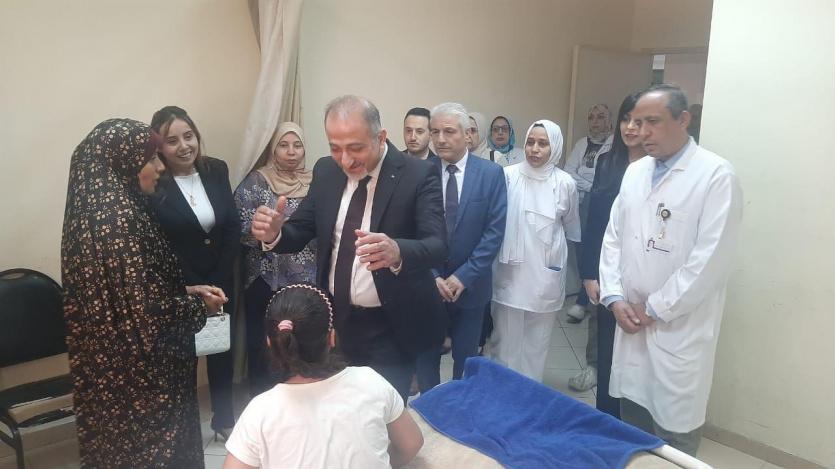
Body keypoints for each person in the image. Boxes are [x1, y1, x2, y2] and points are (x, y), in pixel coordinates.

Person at [250, 95, 447, 400]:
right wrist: (275, 233)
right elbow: (301, 229)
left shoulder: (416, 174)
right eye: (335, 148)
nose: (345, 160)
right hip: (337, 323)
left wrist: (397, 251)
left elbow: (437, 244)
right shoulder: (327, 171)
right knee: (341, 408)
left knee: (382, 411)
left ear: (380, 138)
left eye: (356, 148)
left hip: (392, 325)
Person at [61, 119, 227, 468]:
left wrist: (186, 289)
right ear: (125, 165)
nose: (159, 167)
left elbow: (126, 292)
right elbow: (148, 312)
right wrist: (199, 306)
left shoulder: (94, 211)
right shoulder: (121, 222)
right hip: (145, 382)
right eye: (150, 159)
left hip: (113, 371)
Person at [599, 84, 742, 455]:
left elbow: (710, 262)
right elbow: (614, 237)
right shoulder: (635, 172)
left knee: (674, 433)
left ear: (683, 120)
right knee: (634, 425)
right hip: (629, 320)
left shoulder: (715, 176)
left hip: (678, 329)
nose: (641, 131)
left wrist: (654, 308)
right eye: (635, 122)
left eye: (653, 122)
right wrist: (614, 297)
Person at [223, 283, 423, 469]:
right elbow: (412, 444)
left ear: (270, 342)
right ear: (332, 337)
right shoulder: (371, 381)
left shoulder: (261, 410)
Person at [149, 106, 240, 439]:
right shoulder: (154, 182)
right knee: (183, 356)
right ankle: (184, 428)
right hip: (182, 286)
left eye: (189, 136)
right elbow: (159, 242)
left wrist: (218, 278)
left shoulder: (216, 169)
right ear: (159, 147)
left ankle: (224, 419)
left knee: (221, 349)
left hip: (220, 278)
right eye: (172, 140)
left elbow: (232, 226)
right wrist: (193, 285)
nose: (184, 146)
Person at [415, 102, 507, 391]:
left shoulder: (491, 174)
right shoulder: (419, 172)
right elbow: (412, 229)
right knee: (425, 359)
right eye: (435, 132)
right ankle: (430, 410)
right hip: (428, 286)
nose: (440, 139)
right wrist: (433, 276)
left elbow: (494, 232)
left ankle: (458, 411)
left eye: (449, 131)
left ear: (468, 134)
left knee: (466, 362)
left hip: (472, 286)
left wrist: (462, 277)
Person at [486, 119, 581, 382]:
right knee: (505, 340)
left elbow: (572, 227)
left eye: (542, 143)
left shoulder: (565, 183)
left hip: (545, 272)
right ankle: (504, 392)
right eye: (530, 142)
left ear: (555, 147)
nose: (534, 149)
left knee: (536, 343)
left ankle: (530, 391)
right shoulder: (508, 176)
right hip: (510, 273)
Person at [569, 93, 644, 417]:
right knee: (606, 345)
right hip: (607, 268)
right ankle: (606, 417)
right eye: (627, 119)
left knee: (637, 351)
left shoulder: (660, 168)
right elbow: (596, 222)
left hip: (644, 273)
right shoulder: (607, 162)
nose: (631, 127)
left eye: (640, 121)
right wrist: (589, 273)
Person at [234, 122, 317, 396]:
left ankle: (300, 397)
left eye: (297, 145)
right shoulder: (257, 181)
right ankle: (264, 398)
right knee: (265, 344)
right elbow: (239, 227)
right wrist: (266, 233)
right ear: (273, 149)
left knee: (303, 343)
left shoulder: (316, 182)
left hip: (307, 280)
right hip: (266, 279)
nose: (291, 152)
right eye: (283, 145)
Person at [564, 103, 614, 325]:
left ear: (609, 121)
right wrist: (591, 186)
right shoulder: (581, 144)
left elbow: (608, 180)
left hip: (604, 205)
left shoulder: (615, 145)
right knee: (581, 247)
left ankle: (587, 300)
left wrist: (590, 185)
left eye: (600, 117)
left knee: (599, 249)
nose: (595, 122)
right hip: (583, 203)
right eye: (591, 117)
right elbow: (568, 172)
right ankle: (585, 295)